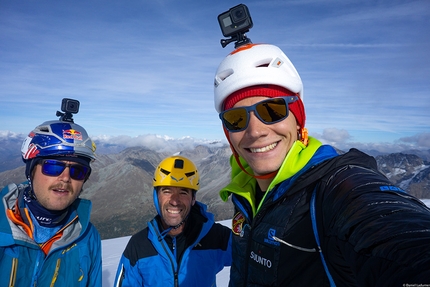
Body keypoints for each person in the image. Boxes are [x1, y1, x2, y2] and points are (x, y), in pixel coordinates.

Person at [213, 43, 430, 286]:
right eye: (236, 118)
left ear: (298, 120)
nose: (255, 131)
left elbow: (396, 233)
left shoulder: (334, 187)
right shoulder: (244, 192)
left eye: (272, 110)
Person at [0, 112, 101, 286]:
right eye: (53, 167)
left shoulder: (88, 237)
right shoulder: (4, 222)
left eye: (78, 171)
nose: (65, 178)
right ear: (31, 171)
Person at [114, 155, 232, 287]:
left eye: (183, 192)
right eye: (167, 191)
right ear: (156, 196)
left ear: (193, 199)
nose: (174, 201)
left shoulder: (215, 237)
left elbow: (252, 258)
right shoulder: (139, 246)